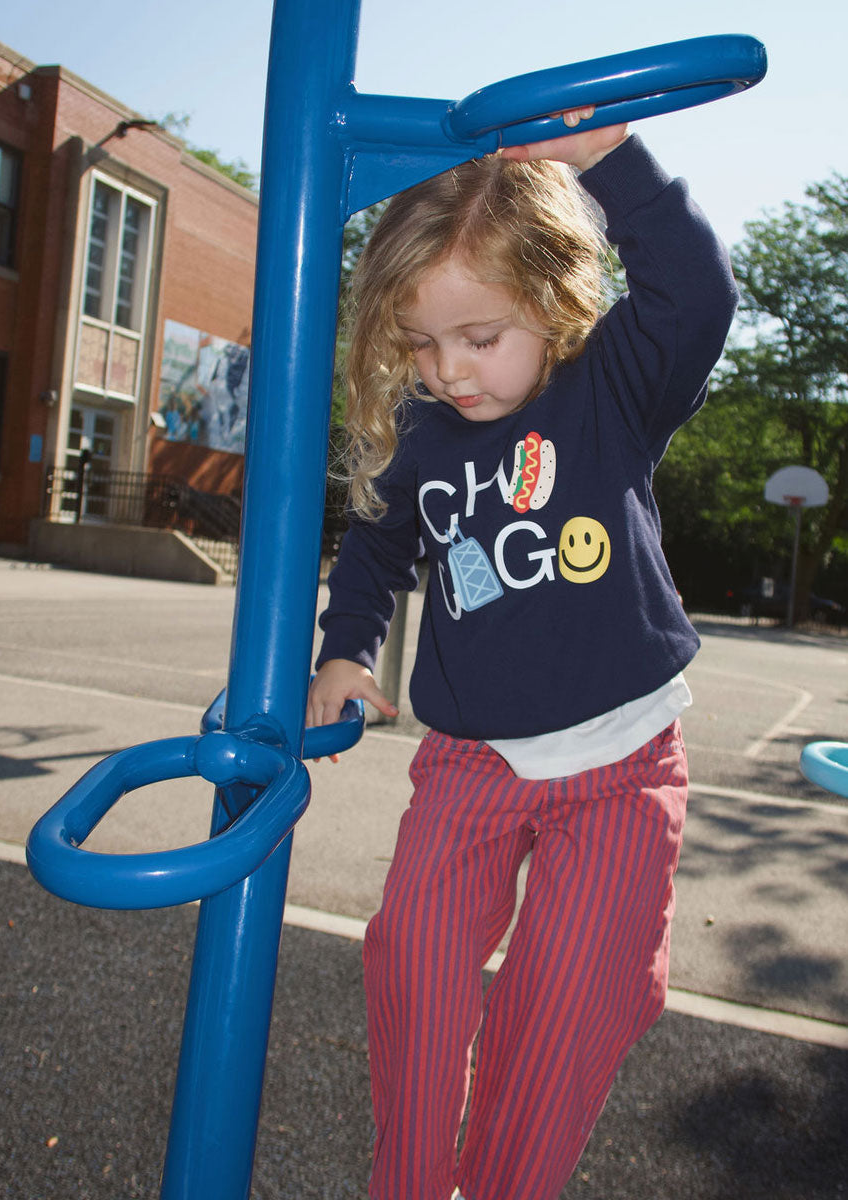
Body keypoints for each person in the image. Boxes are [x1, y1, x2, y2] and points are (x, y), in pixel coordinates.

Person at [307, 106, 738, 1200]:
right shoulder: (426, 438)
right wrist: (347, 650)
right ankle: (409, 1182)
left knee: (569, 998)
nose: (449, 370)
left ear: (554, 304)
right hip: (470, 762)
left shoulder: (609, 391)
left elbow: (696, 293)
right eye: (418, 341)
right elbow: (375, 553)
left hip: (620, 767)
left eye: (478, 337)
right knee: (415, 962)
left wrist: (611, 163)